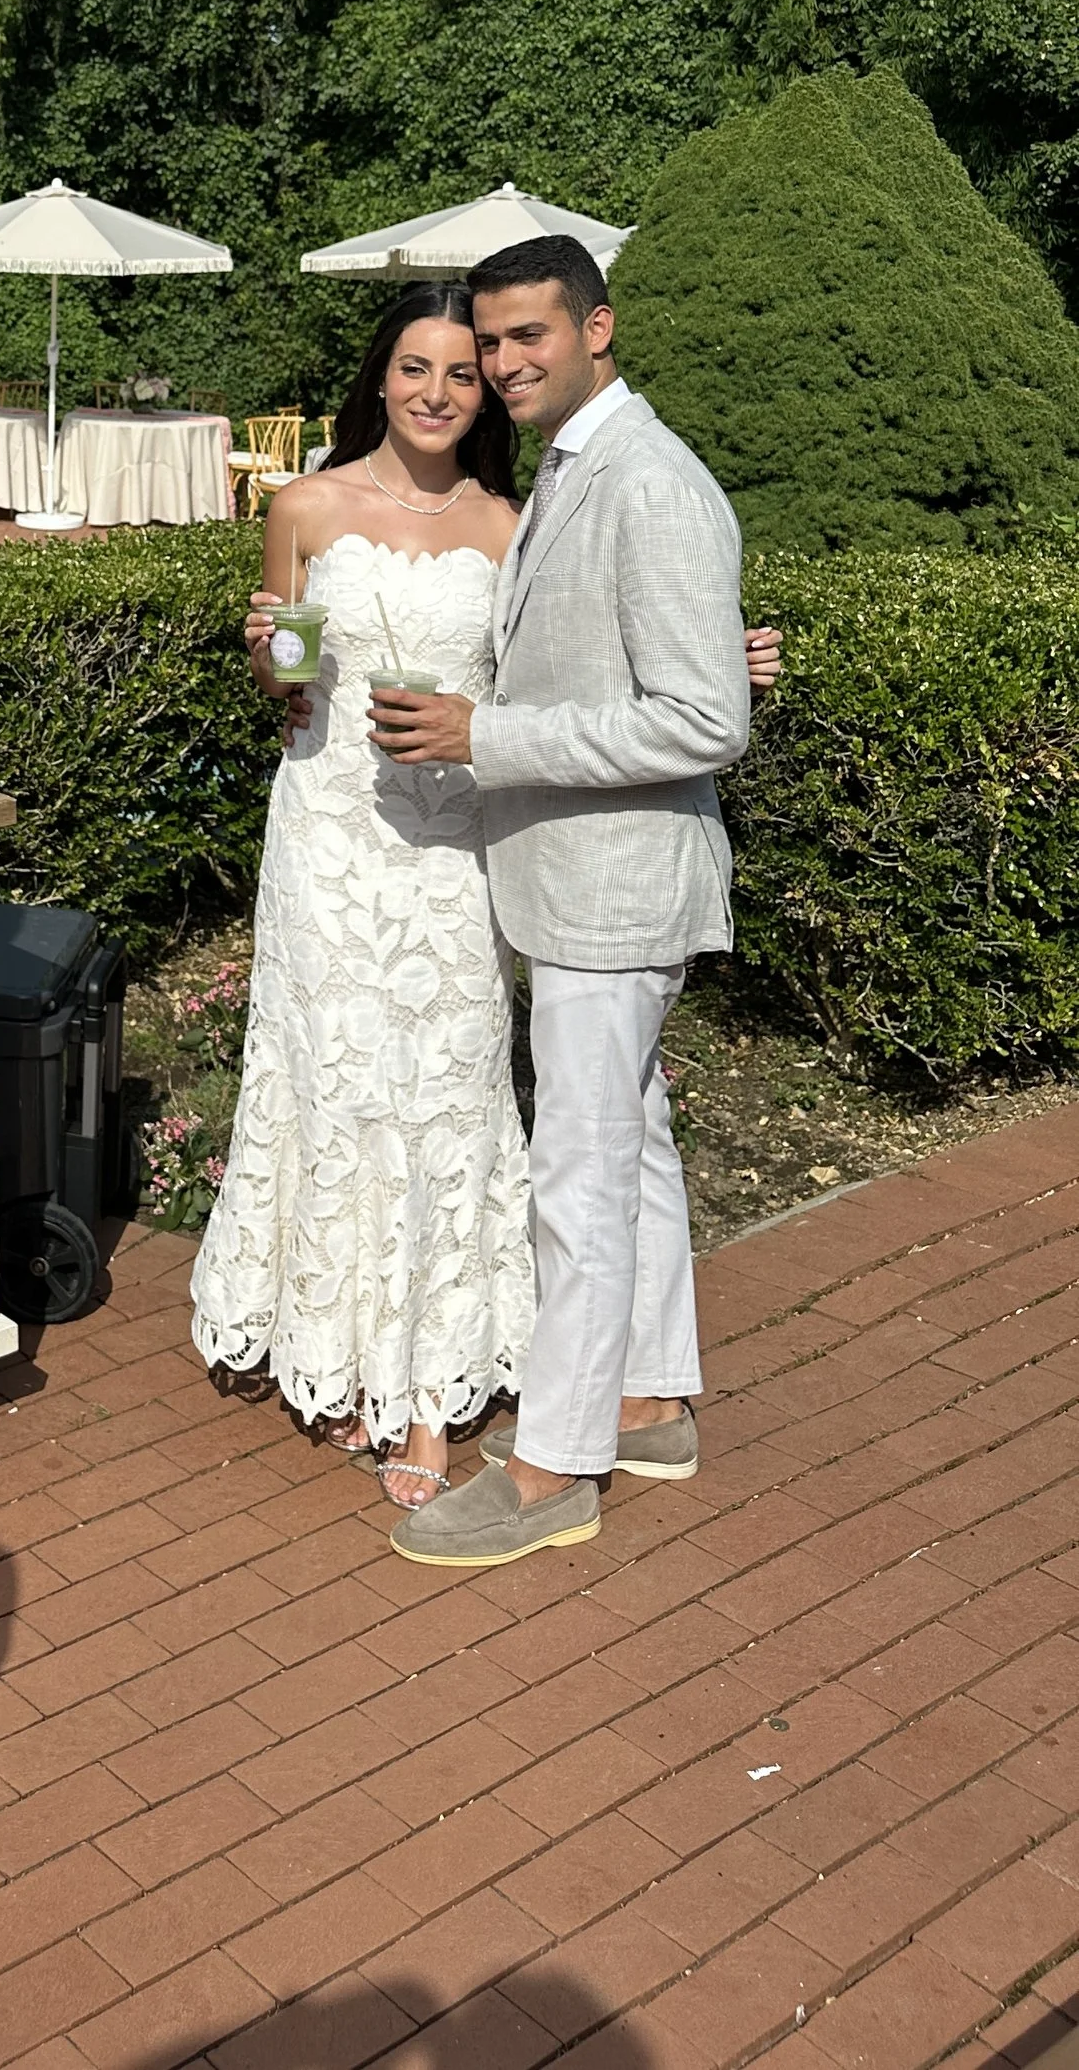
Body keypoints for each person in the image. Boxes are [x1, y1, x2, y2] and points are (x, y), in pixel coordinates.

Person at [374, 236, 750, 1570]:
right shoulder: (576, 464)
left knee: (578, 1179)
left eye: (528, 334)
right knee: (628, 1147)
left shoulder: (649, 480)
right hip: (587, 882)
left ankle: (553, 1469)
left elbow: (705, 720)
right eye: (490, 342)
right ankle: (646, 1403)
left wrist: (489, 736)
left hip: (616, 887)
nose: (502, 363)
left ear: (598, 327)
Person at [189, 285, 533, 1509]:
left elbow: (536, 696)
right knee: (331, 1082)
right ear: (379, 377)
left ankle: (429, 1391)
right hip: (327, 839)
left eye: (460, 373)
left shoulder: (509, 528)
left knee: (448, 1084)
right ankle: (332, 1351)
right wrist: (264, 658)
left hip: (451, 848)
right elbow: (283, 681)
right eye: (413, 368)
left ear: (483, 394)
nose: (435, 393)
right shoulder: (302, 505)